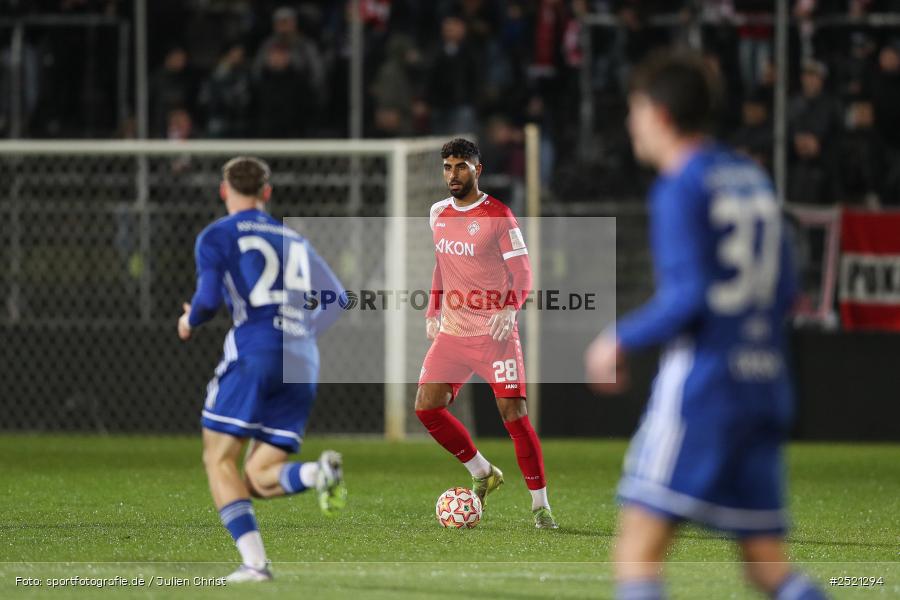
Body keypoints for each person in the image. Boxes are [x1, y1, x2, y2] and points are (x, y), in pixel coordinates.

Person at [584, 53, 826, 599]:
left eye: (635, 109)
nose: (631, 123)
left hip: (705, 389)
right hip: (766, 385)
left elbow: (689, 297)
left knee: (637, 555)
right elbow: (788, 287)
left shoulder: (681, 185)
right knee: (768, 568)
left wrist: (618, 338)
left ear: (660, 114)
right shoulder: (750, 176)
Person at [177, 157, 347, 582]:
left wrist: (188, 322)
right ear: (267, 193)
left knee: (219, 461)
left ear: (224, 190)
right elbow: (338, 298)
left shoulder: (217, 234)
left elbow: (208, 300)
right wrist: (301, 331)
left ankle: (255, 564)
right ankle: (317, 473)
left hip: (256, 352)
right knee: (256, 476)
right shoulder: (294, 238)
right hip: (302, 358)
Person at [415, 138, 558, 529]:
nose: (453, 174)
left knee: (514, 415)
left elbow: (524, 273)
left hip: (494, 335)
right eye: (447, 166)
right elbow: (442, 266)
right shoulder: (438, 213)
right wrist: (432, 311)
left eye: (461, 166)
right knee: (427, 407)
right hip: (453, 332)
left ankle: (540, 506)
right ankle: (482, 472)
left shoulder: (499, 215)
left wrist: (510, 307)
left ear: (478, 169)